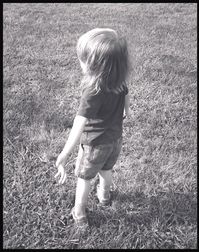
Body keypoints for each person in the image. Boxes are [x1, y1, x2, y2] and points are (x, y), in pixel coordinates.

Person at [55, 28, 130, 227]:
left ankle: (79, 211)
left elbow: (78, 125)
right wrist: (126, 112)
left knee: (85, 177)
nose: (79, 62)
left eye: (82, 59)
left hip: (94, 145)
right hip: (115, 140)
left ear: (94, 66)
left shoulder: (92, 92)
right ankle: (104, 197)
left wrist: (64, 154)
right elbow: (126, 99)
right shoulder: (120, 81)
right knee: (107, 170)